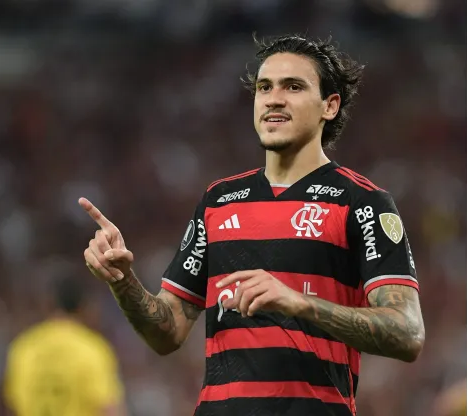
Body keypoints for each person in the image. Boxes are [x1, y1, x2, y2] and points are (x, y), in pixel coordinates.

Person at [79, 34, 425, 416]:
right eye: (265, 87)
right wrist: (122, 280)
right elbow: (168, 331)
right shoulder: (218, 200)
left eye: (293, 87)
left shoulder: (362, 203)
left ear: (330, 105)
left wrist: (301, 303)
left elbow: (406, 333)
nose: (274, 98)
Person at [3, 276, 126, 416]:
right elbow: (109, 410)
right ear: (83, 307)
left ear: (48, 305)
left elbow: (12, 408)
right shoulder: (92, 349)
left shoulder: (23, 348)